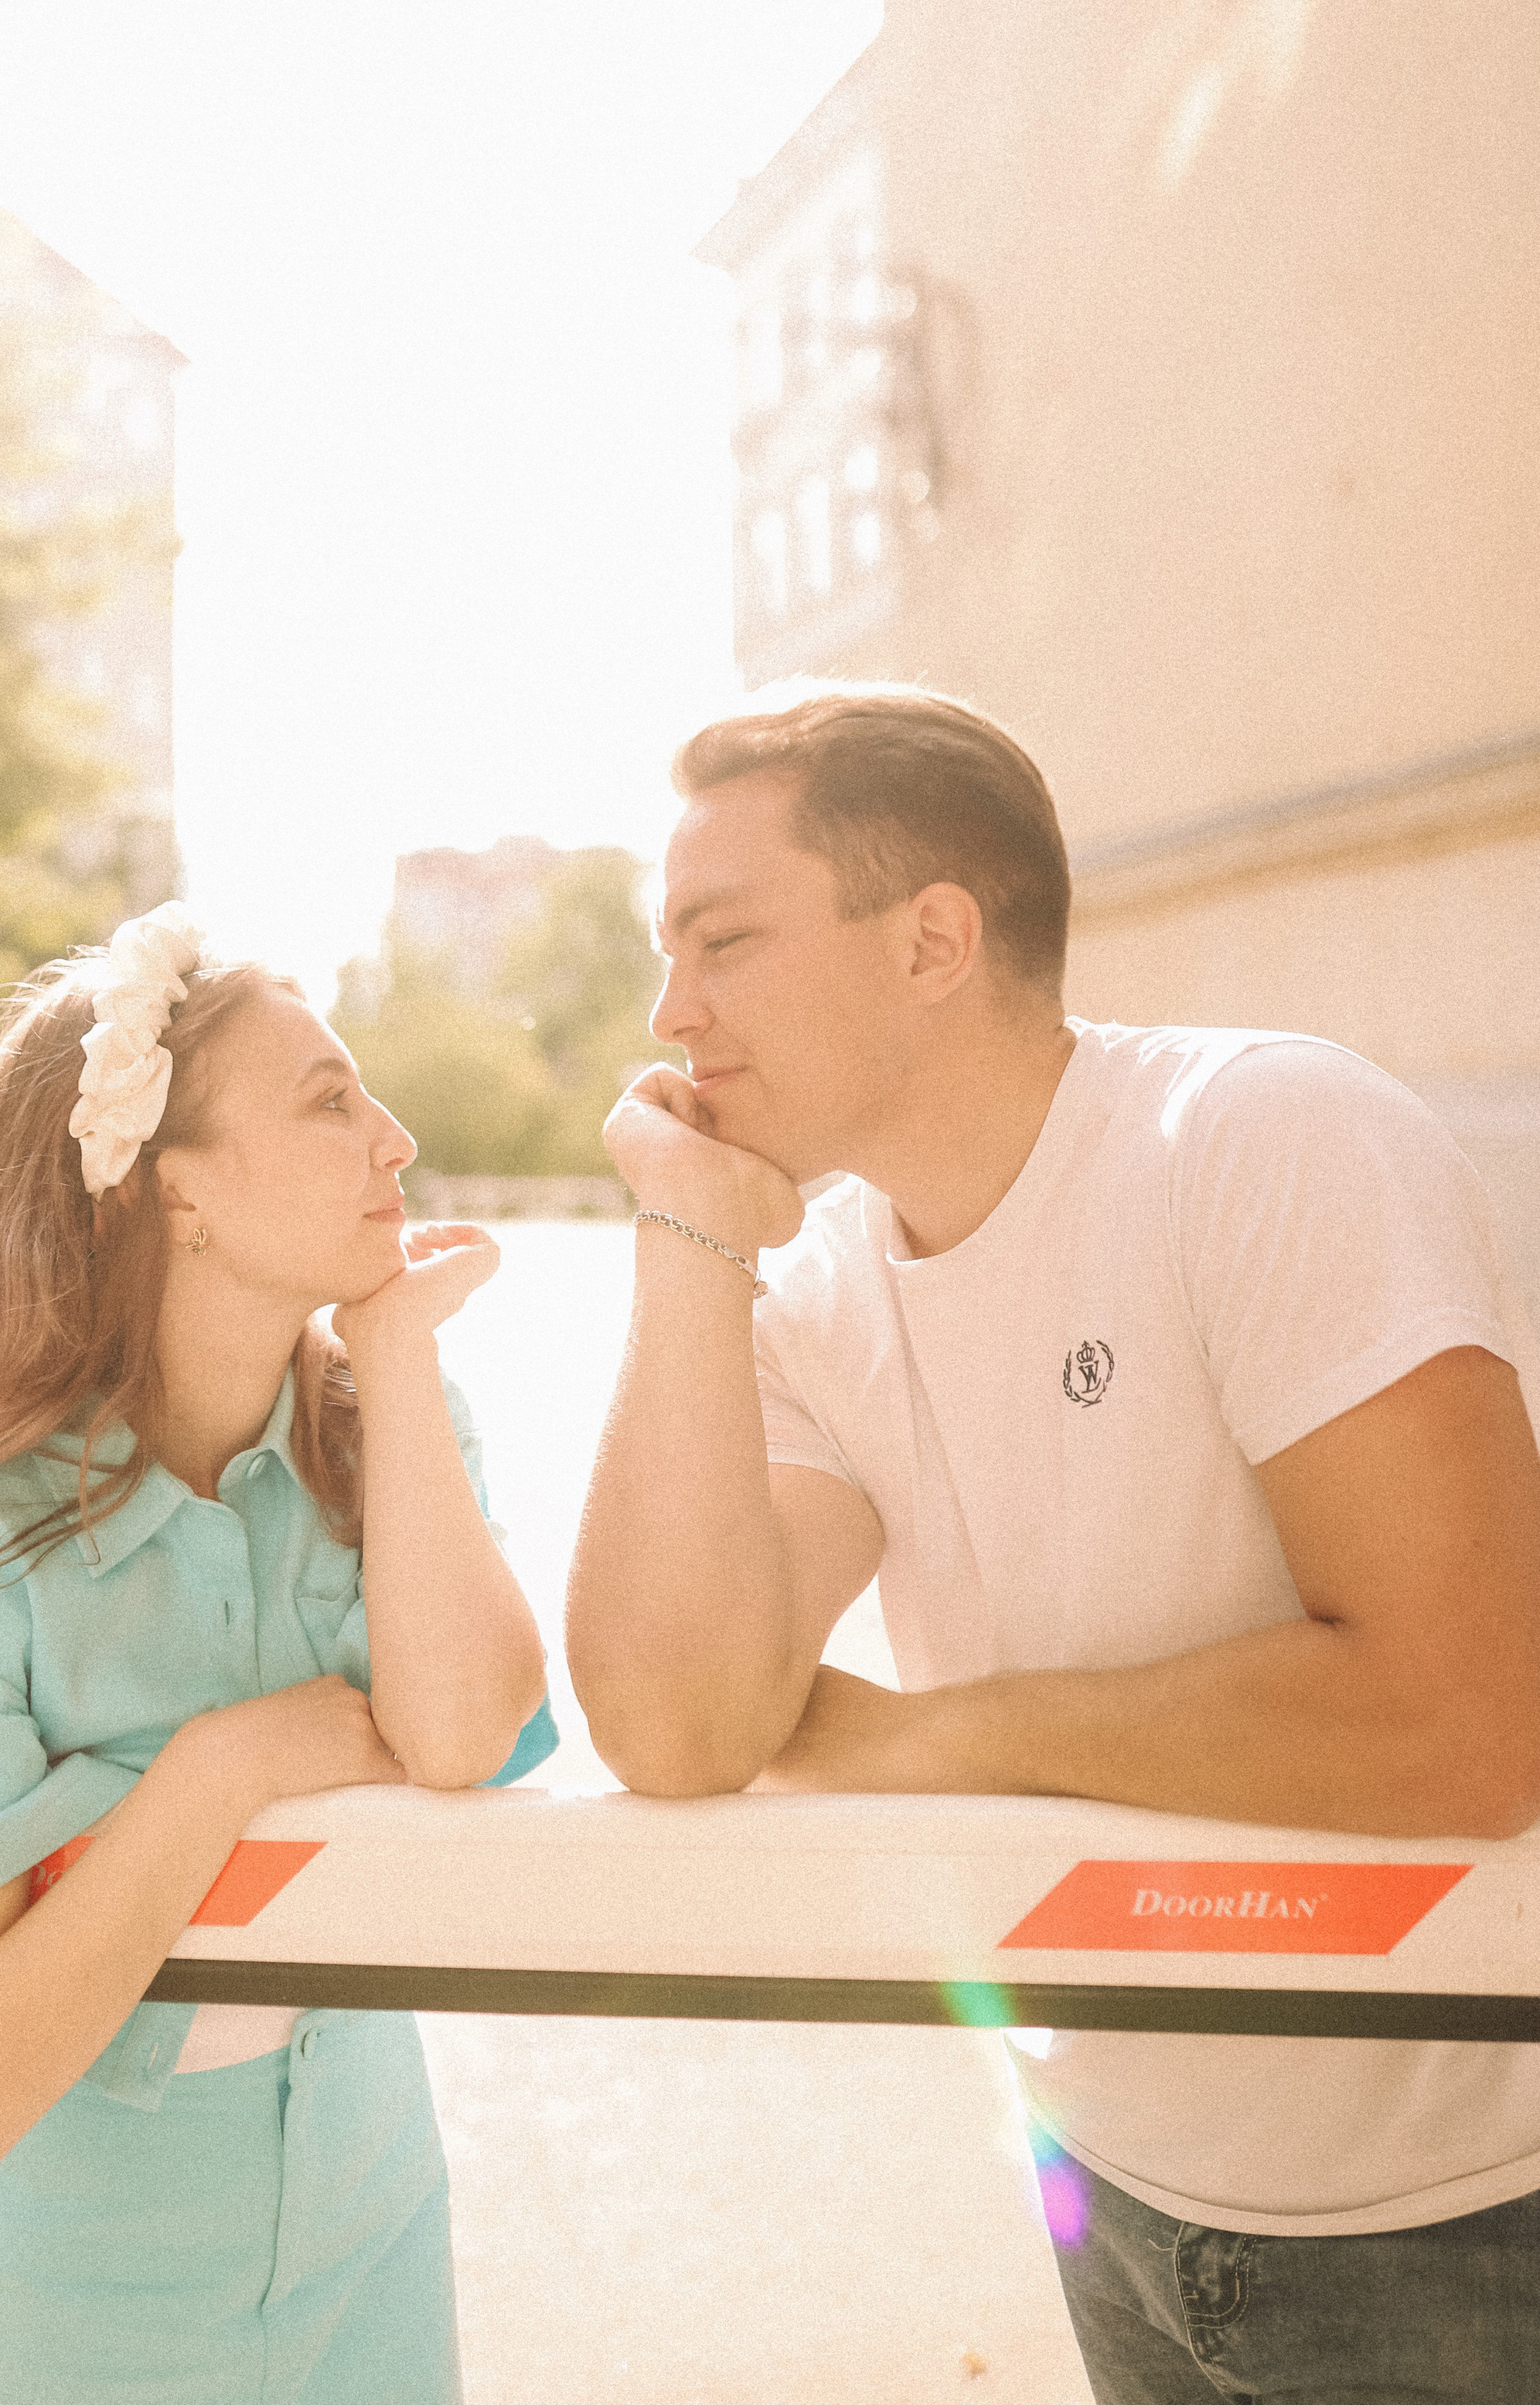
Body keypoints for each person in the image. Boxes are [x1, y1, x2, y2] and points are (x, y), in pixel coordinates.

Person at [564, 685, 1540, 2403]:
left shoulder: (1256, 1138)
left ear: (931, 938)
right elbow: (680, 1725)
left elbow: (1467, 1721)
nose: (669, 1013)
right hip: (1107, 2190)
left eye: (720, 942)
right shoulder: (804, 1294)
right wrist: (678, 1237)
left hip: (1463, 2225)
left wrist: (939, 1735)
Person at [0, 903, 553, 2405]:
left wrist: (398, 1355)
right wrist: (220, 1769)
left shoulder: (389, 1438)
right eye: (329, 1101)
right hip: (65, 2327)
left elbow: (462, 1737)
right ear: (174, 1191)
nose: (394, 1139)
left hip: (370, 2258)